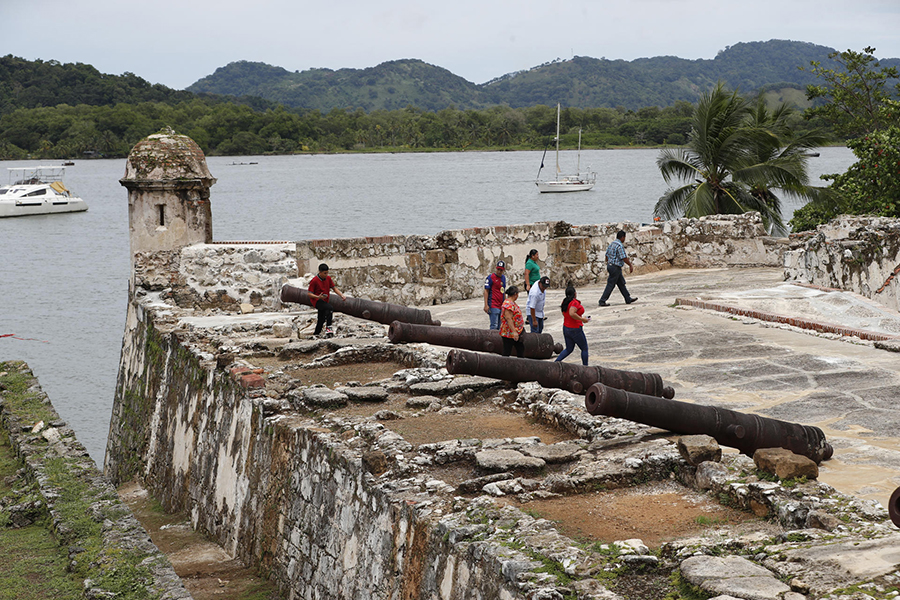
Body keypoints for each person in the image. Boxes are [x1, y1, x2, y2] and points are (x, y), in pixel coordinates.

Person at [598, 230, 638, 306]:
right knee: (611, 284)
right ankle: (602, 300)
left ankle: (627, 298)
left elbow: (606, 255)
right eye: (624, 237)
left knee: (621, 283)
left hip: (611, 265)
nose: (624, 239)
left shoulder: (612, 244)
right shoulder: (619, 245)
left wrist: (608, 263)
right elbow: (623, 257)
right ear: (622, 237)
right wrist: (630, 265)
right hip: (615, 267)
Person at [307, 263, 346, 337]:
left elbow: (334, 288)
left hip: (324, 300)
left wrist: (341, 295)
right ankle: (329, 328)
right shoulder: (314, 280)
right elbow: (309, 293)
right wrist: (318, 297)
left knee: (321, 318)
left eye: (327, 273)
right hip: (317, 301)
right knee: (330, 308)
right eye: (325, 273)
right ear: (320, 272)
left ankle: (316, 333)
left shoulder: (328, 279)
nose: (326, 274)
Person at [555, 284, 590, 365]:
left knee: (569, 349)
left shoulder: (565, 302)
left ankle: (556, 362)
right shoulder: (574, 303)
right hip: (575, 328)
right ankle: (586, 367)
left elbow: (565, 313)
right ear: (575, 293)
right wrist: (582, 319)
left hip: (566, 327)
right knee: (584, 348)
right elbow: (571, 313)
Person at [499, 286, 525, 358]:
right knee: (507, 351)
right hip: (509, 332)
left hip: (516, 330)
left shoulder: (511, 303)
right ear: (515, 294)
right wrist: (514, 331)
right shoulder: (508, 304)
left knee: (520, 349)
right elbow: (508, 318)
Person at [483, 260, 507, 330]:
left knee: (500, 326)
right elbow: (486, 291)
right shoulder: (491, 278)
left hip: (501, 305)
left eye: (501, 270)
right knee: (494, 325)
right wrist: (486, 304)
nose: (499, 271)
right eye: (498, 269)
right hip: (493, 304)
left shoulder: (503, 278)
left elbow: (503, 291)